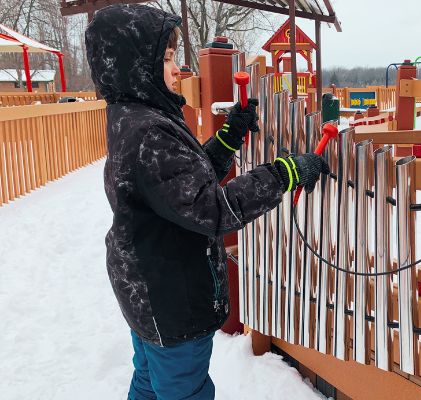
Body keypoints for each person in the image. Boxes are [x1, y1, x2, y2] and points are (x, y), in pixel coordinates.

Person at [85, 4, 329, 399]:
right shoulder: (149, 131)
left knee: (148, 380)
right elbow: (211, 210)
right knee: (184, 390)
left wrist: (229, 136)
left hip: (148, 290)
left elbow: (181, 189)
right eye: (164, 58)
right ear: (135, 66)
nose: (177, 68)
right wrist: (284, 173)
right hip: (171, 300)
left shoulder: (134, 115)